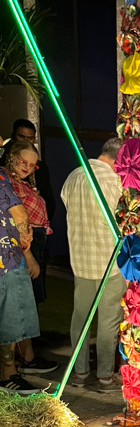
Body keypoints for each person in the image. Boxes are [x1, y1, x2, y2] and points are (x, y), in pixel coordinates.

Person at [60, 137, 126, 392]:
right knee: (108, 322)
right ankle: (105, 377)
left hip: (80, 260)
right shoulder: (115, 180)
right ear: (119, 159)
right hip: (110, 262)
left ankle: (80, 372)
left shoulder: (74, 175)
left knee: (81, 319)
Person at [2, 140, 57, 374]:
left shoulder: (21, 182)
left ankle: (24, 358)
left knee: (27, 301)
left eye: (32, 165)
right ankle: (20, 362)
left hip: (32, 242)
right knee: (19, 305)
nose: (27, 167)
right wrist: (28, 254)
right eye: (23, 161)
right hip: (21, 246)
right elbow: (17, 218)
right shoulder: (6, 181)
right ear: (12, 156)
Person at [0, 167, 40, 393]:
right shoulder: (0, 177)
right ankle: (8, 375)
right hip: (7, 260)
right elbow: (20, 214)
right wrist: (25, 242)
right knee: (11, 319)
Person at [2, 119, 56, 222]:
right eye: (21, 136)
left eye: (30, 138)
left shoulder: (40, 169)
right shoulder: (3, 172)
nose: (26, 141)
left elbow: (48, 201)